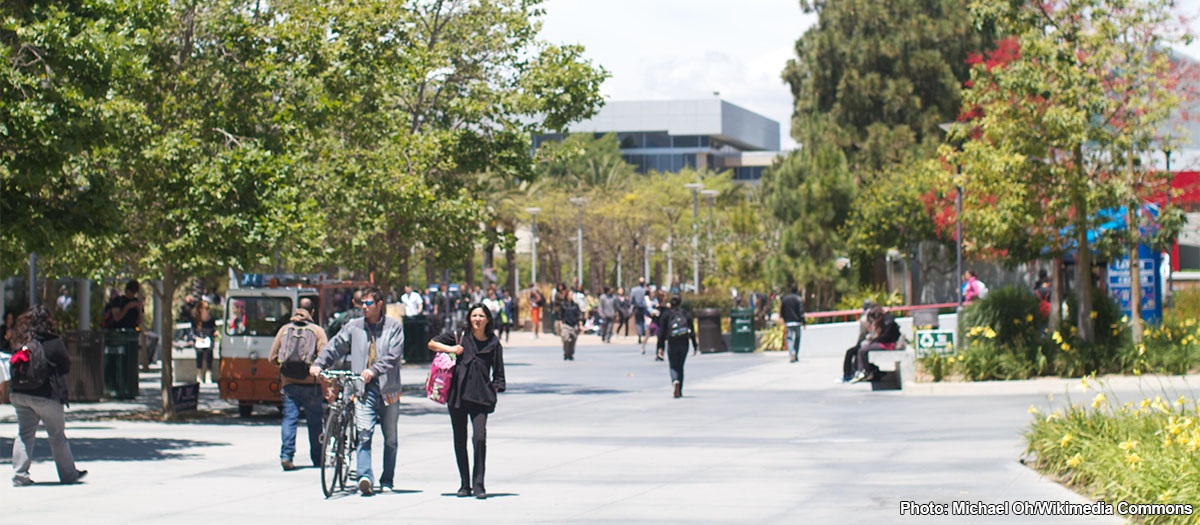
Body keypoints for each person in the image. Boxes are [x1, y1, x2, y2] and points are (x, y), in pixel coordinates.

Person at [309, 287, 404, 496]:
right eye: (361, 303)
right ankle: (364, 476)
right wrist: (319, 363)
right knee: (364, 432)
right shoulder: (354, 327)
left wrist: (374, 370)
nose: (363, 307)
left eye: (368, 303)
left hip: (388, 390)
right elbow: (335, 346)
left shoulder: (394, 327)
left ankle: (387, 479)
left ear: (379, 305)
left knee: (390, 439)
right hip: (363, 388)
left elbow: (393, 355)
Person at [428, 303, 506, 499]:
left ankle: (479, 484)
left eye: (481, 316)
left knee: (479, 438)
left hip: (481, 398)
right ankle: (465, 484)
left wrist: (493, 390)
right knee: (459, 439)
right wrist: (452, 348)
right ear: (469, 319)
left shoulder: (494, 343)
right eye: (474, 316)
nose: (477, 319)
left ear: (488, 319)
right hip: (457, 396)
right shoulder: (460, 336)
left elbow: (499, 374)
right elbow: (432, 343)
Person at [10, 305, 87, 486]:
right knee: (57, 435)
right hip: (46, 395)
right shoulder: (53, 342)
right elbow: (65, 366)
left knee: (24, 433)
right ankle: (68, 474)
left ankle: (20, 474)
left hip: (19, 394)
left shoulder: (20, 341)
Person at [270, 298, 328, 471]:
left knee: (289, 420)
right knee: (315, 423)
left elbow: (272, 358)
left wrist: (284, 366)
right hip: (312, 384)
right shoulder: (317, 331)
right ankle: (317, 458)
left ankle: (287, 456)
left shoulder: (284, 330)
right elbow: (325, 358)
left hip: (289, 384)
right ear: (312, 312)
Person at [656, 295, 698, 398]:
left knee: (673, 365)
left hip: (672, 342)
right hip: (684, 343)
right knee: (680, 366)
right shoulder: (685, 314)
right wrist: (695, 345)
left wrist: (660, 348)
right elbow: (692, 331)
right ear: (680, 302)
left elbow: (661, 333)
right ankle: (680, 389)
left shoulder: (666, 315)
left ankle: (675, 381)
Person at [851, 305, 901, 383]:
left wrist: (874, 340)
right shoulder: (886, 319)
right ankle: (867, 370)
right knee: (862, 349)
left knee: (862, 350)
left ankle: (864, 371)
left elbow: (886, 337)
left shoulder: (888, 321)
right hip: (885, 343)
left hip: (888, 345)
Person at [841, 300, 874, 383]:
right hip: (874, 340)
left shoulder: (864, 318)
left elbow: (862, 334)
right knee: (856, 351)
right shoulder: (874, 314)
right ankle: (857, 370)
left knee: (850, 352)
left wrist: (857, 343)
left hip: (869, 341)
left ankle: (847, 374)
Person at [191, 299, 218, 383]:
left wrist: (215, 333)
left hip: (208, 340)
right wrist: (197, 338)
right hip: (199, 340)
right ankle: (199, 373)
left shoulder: (211, 320)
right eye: (206, 309)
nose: (208, 311)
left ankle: (208, 373)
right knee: (199, 352)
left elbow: (213, 330)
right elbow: (192, 333)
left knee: (209, 351)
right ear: (200, 310)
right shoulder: (195, 320)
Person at [780, 284, 805, 363]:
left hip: (789, 322)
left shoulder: (785, 299)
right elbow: (801, 311)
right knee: (797, 339)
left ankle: (792, 353)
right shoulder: (799, 299)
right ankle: (796, 354)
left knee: (789, 338)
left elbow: (782, 311)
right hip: (797, 322)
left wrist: (784, 319)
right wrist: (803, 321)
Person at [556, 292, 582, 360]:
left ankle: (570, 354)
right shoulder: (563, 305)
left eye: (571, 295)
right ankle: (566, 353)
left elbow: (579, 315)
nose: (571, 296)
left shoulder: (575, 305)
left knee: (573, 340)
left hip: (573, 325)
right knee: (566, 339)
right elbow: (560, 315)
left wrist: (580, 324)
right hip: (565, 324)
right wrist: (560, 324)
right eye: (569, 294)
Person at [629, 278, 647, 344]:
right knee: (643, 321)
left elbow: (631, 300)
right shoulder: (646, 290)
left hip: (637, 308)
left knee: (638, 322)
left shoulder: (634, 290)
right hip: (644, 308)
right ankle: (642, 334)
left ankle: (640, 334)